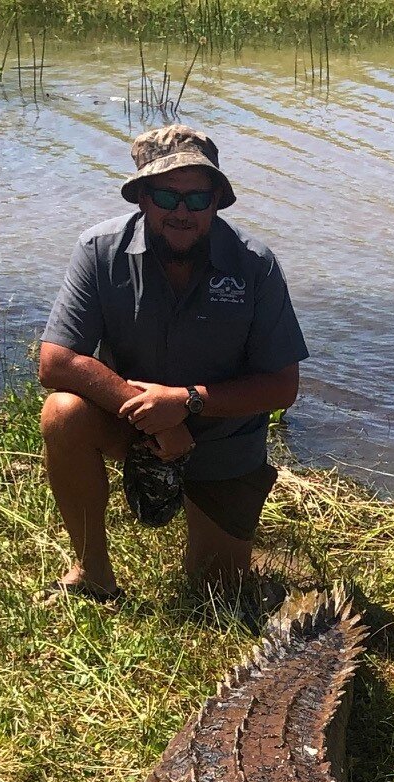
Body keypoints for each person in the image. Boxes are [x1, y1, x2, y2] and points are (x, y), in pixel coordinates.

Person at [38, 124, 307, 602]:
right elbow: (56, 361)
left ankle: (228, 534)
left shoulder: (256, 264)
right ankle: (92, 572)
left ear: (216, 202)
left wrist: (187, 404)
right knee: (62, 411)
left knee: (216, 592)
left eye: (197, 199)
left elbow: (282, 386)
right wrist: (158, 419)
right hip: (134, 427)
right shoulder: (99, 251)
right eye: (166, 195)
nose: (181, 212)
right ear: (142, 197)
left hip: (224, 442)